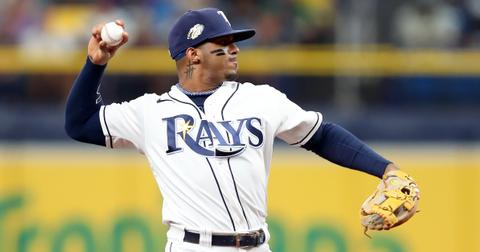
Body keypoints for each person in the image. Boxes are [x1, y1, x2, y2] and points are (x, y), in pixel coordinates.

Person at [65, 8, 405, 252]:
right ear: (193, 55)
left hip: (257, 244)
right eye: (222, 43)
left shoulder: (261, 99)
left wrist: (386, 170)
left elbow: (323, 135)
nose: (234, 48)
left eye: (234, 41)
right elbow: (79, 123)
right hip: (192, 245)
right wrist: (96, 65)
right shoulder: (150, 112)